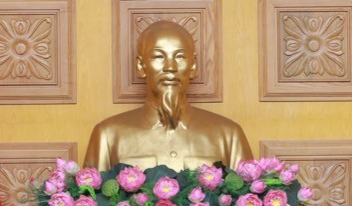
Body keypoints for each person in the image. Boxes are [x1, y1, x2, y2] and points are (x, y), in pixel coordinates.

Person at [84, 20, 253, 172]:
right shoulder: (108, 135)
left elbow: (247, 201)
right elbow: (90, 201)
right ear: (141, 66)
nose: (170, 67)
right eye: (158, 56)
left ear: (193, 66)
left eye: (179, 57)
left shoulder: (229, 135)